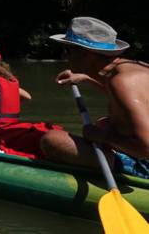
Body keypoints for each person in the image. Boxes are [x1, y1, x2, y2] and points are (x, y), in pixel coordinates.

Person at [40, 17, 149, 178]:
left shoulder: (122, 82)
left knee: (52, 140)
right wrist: (87, 79)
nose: (65, 56)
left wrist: (100, 136)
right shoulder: (135, 68)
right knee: (104, 123)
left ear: (86, 54)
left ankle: (127, 168)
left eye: (67, 50)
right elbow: (126, 103)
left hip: (145, 162)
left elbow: (146, 148)